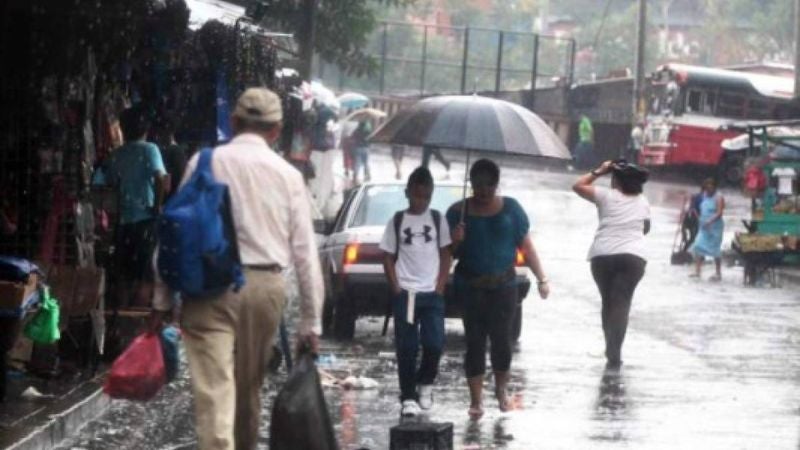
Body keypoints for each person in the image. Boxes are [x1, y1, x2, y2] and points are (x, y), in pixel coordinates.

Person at [151, 88, 324, 450]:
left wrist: (162, 300)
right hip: (264, 289)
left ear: (233, 122)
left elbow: (175, 232)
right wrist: (311, 321)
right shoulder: (288, 175)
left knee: (215, 392)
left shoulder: (204, 162)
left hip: (208, 286)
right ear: (276, 130)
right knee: (248, 393)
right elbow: (306, 254)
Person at [446, 159, 549, 420]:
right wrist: (454, 240)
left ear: (496, 184)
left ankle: (501, 390)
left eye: (488, 185)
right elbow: (448, 254)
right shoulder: (458, 213)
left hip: (504, 287)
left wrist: (542, 278)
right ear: (471, 184)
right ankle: (476, 400)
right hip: (470, 287)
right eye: (478, 185)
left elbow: (527, 247)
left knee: (502, 341)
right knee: (475, 342)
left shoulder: (511, 209)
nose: (483, 191)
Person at [380, 167, 451, 418]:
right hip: (406, 293)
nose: (421, 201)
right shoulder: (397, 221)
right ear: (407, 193)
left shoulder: (437, 219)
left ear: (431, 196)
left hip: (431, 294)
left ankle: (426, 382)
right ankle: (408, 395)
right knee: (407, 346)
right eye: (416, 196)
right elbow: (387, 257)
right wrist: (396, 287)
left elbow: (446, 253)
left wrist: (440, 285)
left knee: (434, 343)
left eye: (426, 197)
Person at [572, 159, 650, 369]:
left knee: (608, 302)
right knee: (621, 303)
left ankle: (611, 347)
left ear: (615, 180)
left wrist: (599, 171)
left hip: (602, 256)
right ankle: (614, 351)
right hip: (633, 258)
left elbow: (577, 186)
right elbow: (645, 228)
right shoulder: (643, 201)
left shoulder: (606, 196)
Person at [107, 105, 168, 308]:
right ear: (145, 129)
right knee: (145, 275)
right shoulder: (150, 149)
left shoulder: (117, 155)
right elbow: (161, 178)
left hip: (123, 222)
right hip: (145, 221)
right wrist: (157, 206)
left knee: (123, 275)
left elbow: (109, 184)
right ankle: (137, 322)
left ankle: (120, 318)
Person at [690, 178, 725, 281]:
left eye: (711, 187)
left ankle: (718, 273)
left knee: (715, 250)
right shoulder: (704, 196)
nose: (709, 190)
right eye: (707, 188)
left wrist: (710, 221)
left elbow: (719, 213)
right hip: (703, 226)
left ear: (715, 187)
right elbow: (697, 207)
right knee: (697, 246)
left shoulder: (719, 197)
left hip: (715, 227)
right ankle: (697, 271)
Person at [152, 114, 187, 200]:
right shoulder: (160, 150)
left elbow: (178, 179)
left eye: (161, 130)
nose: (158, 134)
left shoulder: (176, 152)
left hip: (171, 201)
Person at [351, 118, 373, 184]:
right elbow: (371, 139)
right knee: (366, 162)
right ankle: (367, 176)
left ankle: (355, 177)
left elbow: (352, 137)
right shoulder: (368, 131)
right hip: (366, 148)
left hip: (357, 148)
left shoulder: (356, 130)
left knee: (357, 163)